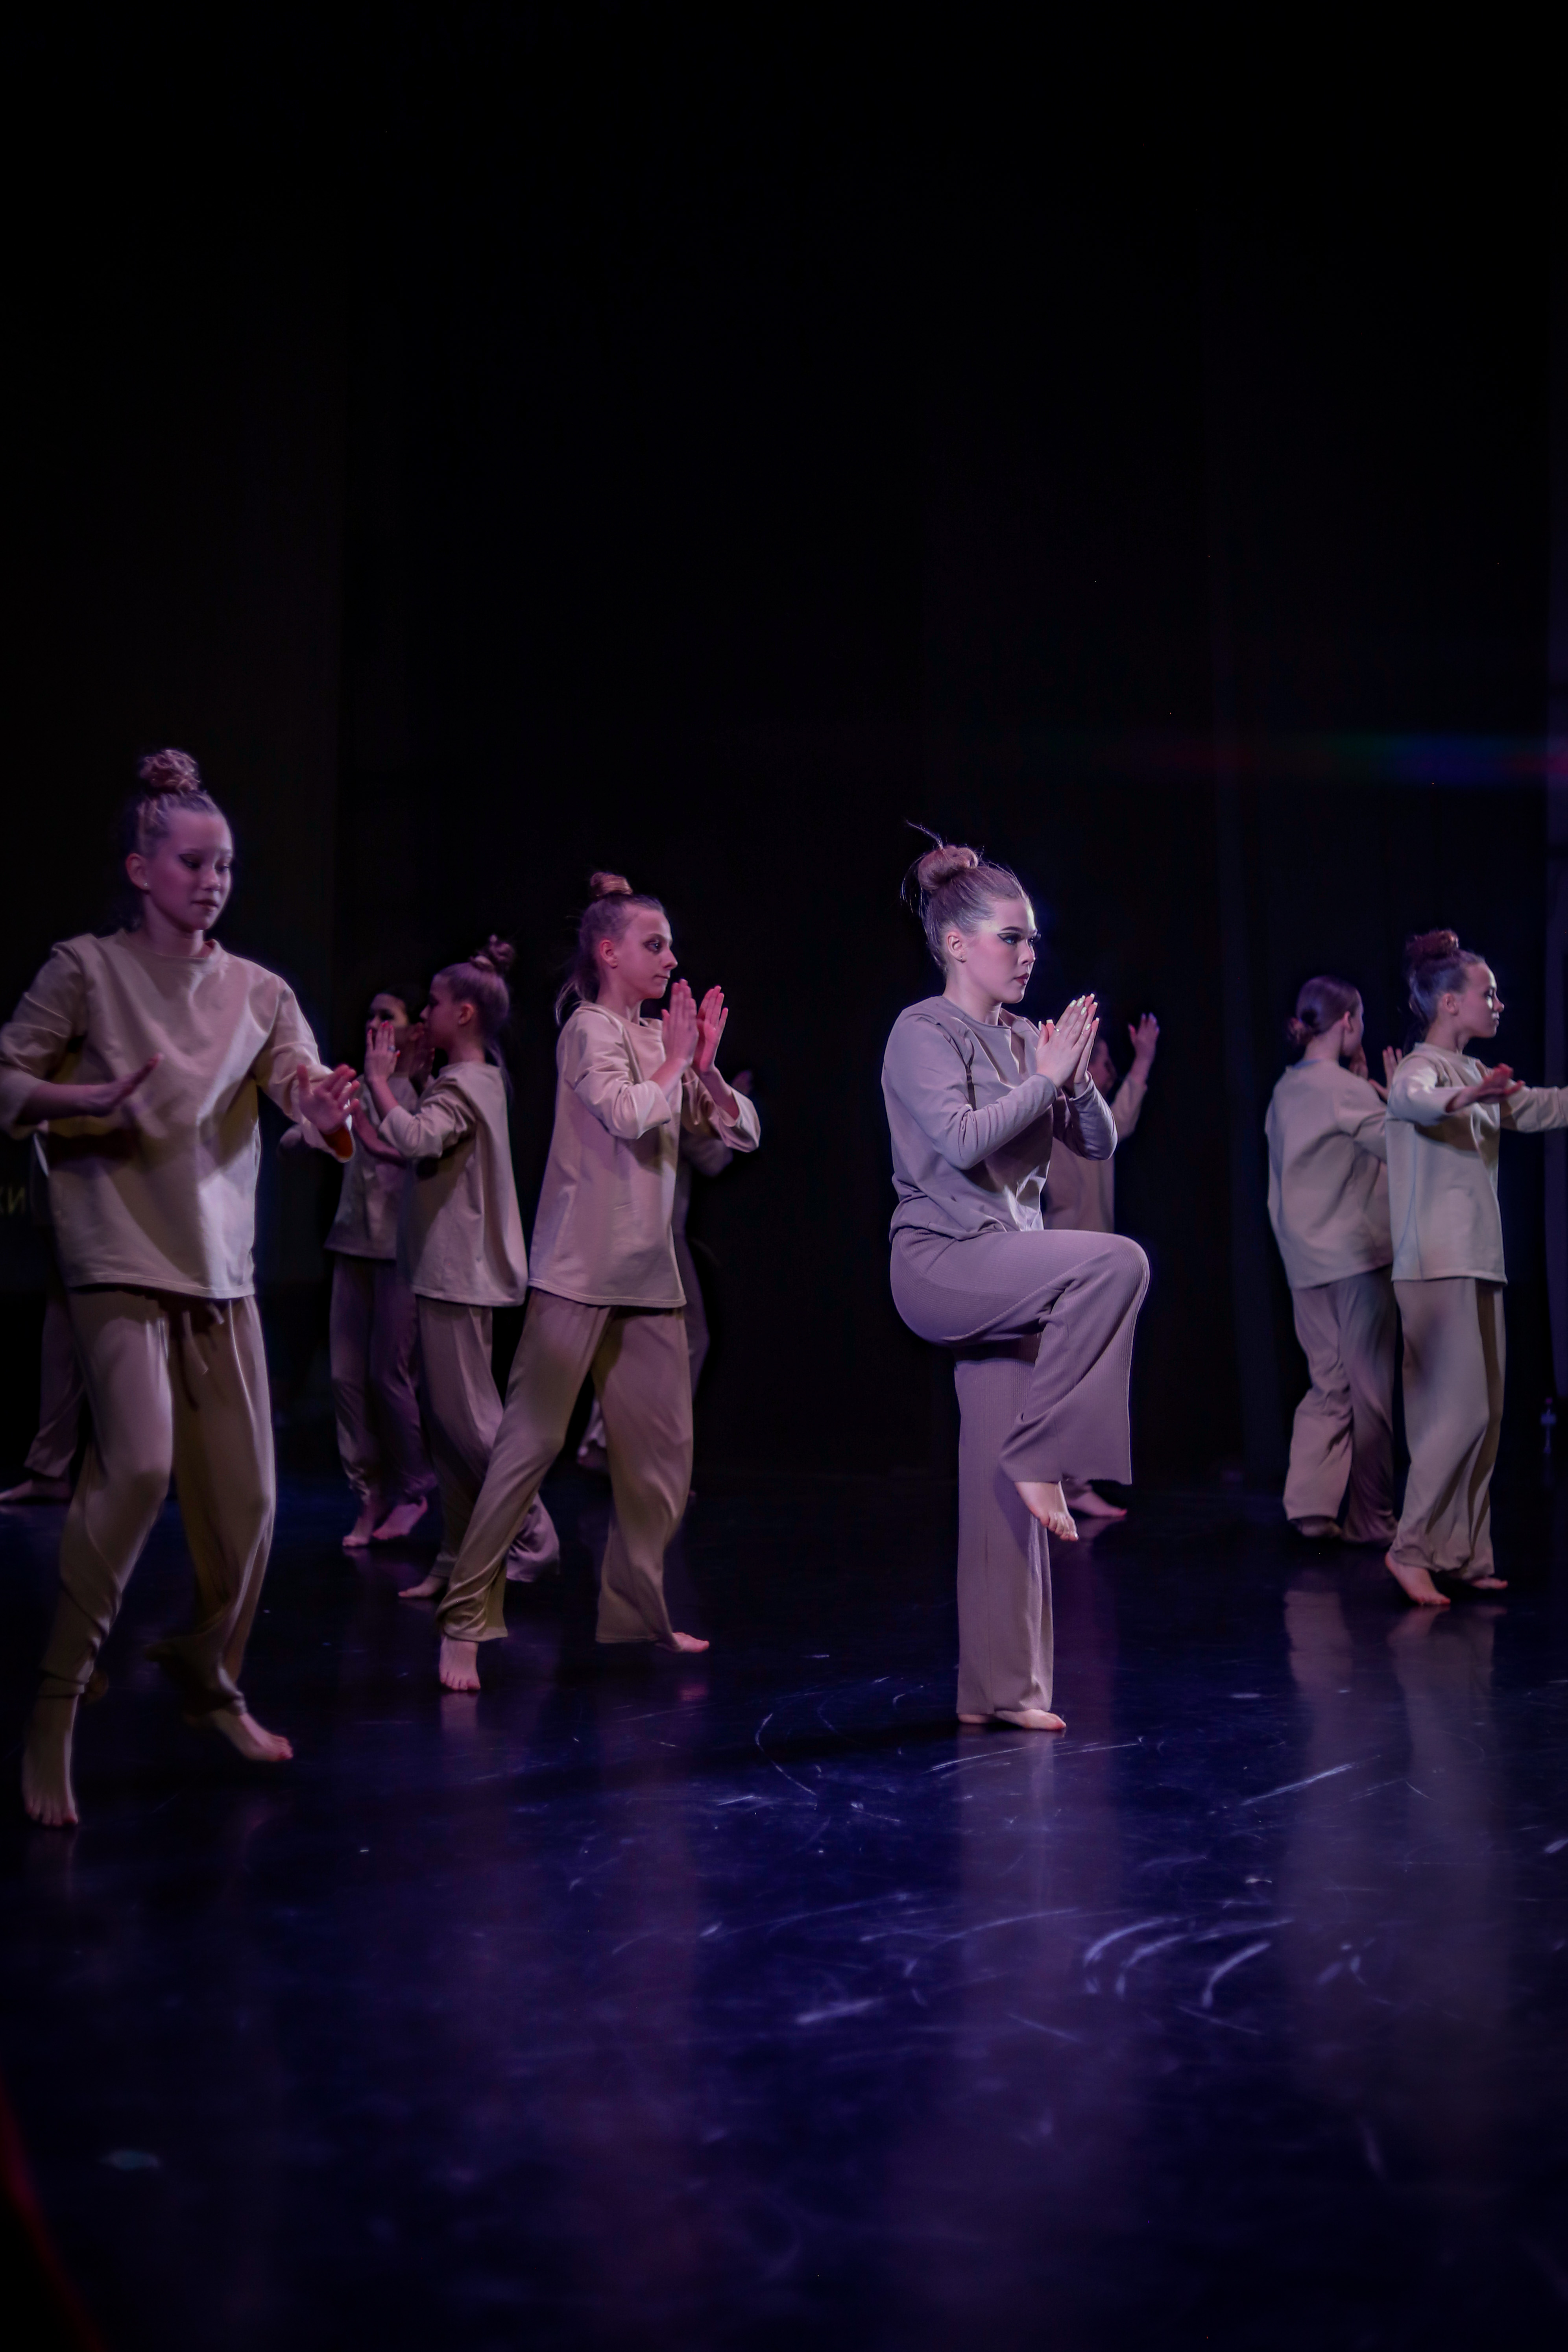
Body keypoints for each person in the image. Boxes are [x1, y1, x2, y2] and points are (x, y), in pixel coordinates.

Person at [0, 749, 359, 1826]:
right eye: (193, 863)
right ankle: (56, 1704)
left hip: (219, 1267)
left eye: (226, 865)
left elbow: (302, 1084)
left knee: (249, 1505)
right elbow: (10, 1074)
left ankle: (207, 1674)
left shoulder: (260, 990)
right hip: (115, 1251)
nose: (212, 882)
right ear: (141, 869)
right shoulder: (85, 969)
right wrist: (84, 1097)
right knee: (140, 1466)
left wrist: (324, 1106)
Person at [430, 873, 760, 1692]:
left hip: (650, 1279)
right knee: (527, 1450)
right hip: (577, 1274)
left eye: (670, 945)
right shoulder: (587, 1029)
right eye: (655, 945)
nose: (670, 959)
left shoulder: (658, 1040)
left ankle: (637, 1611)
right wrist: (677, 1062)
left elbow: (736, 1137)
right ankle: (465, 1620)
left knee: (661, 1465)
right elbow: (625, 1112)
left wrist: (705, 1071)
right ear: (608, 952)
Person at [882, 840, 1149, 1734]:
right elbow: (961, 1141)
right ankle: (1049, 1455)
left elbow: (1100, 1145)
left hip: (1009, 1268)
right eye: (1010, 937)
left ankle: (1000, 1693)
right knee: (1116, 1261)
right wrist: (1042, 1078)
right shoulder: (923, 1031)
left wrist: (1070, 1078)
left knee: (999, 1498)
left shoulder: (1022, 1037)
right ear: (956, 944)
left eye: (1032, 938)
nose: (1028, 952)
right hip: (942, 1263)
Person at [361, 942, 560, 1604]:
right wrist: (414, 1084)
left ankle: (533, 1535)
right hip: (448, 1268)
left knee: (471, 1421)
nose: (424, 1013)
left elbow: (417, 1140)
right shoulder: (472, 1081)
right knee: (447, 1424)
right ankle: (456, 1553)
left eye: (435, 1003)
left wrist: (381, 1080)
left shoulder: (467, 1084)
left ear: (465, 1013)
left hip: (459, 1271)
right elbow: (432, 1135)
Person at [1383, 929, 1568, 1606]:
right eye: (1487, 994)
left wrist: (1482, 1094)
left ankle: (1461, 1554)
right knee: (1457, 1415)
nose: (1498, 1003)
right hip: (1435, 1263)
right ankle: (1409, 1549)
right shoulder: (1422, 1066)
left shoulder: (1471, 1072)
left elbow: (1536, 1105)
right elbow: (1409, 1099)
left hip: (1475, 1260)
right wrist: (1467, 1098)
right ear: (1450, 1003)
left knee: (1485, 1415)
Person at [294, 990, 437, 1549]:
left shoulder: (424, 1092)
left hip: (400, 1253)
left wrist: (369, 1130)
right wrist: (306, 1132)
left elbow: (413, 1152)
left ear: (412, 1030)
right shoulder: (354, 1089)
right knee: (345, 1379)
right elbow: (308, 1139)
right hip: (352, 1243)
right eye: (370, 1013)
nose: (374, 1022)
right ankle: (367, 1494)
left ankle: (413, 1490)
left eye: (388, 1015)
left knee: (389, 1376)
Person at [1265, 976, 1399, 1548]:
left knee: (1328, 1384)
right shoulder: (1344, 1089)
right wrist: (1392, 1097)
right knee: (1370, 1394)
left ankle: (1312, 1508)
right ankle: (1372, 1518)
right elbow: (1402, 1148)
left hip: (1303, 1261)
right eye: (1359, 1019)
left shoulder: (1285, 1089)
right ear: (1347, 1022)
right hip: (1353, 1258)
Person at [575, 1088, 749, 1476]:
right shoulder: (675, 1083)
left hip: (623, 1223)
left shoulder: (643, 1079)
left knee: (632, 1337)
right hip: (655, 1231)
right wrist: (722, 1107)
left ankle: (607, 1443)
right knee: (684, 1337)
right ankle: (642, 1451)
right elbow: (710, 1157)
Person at [1041, 1012, 1159, 1520]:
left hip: (1087, 1261)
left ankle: (1073, 1481)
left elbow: (1120, 1119)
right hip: (1062, 1258)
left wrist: (1143, 1061)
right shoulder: (1056, 1111)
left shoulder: (1093, 1117)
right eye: (1103, 1061)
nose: (1108, 1070)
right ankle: (1062, 1480)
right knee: (1064, 1374)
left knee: (1083, 1374)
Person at [0, 1139, 87, 1505]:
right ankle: (51, 1466)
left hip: (104, 1165)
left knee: (76, 1304)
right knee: (65, 1306)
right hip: (65, 1155)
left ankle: (55, 1466)